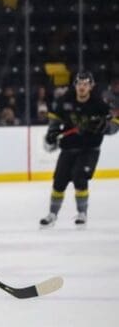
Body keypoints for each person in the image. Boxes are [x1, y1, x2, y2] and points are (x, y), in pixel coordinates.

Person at [40, 71, 118, 228]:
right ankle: (52, 214)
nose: (82, 87)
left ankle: (82, 213)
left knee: (79, 177)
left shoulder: (100, 104)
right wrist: (52, 134)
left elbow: (114, 125)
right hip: (68, 149)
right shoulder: (65, 101)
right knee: (59, 182)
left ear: (91, 86)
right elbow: (55, 122)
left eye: (86, 84)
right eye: (80, 83)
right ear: (75, 85)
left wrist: (105, 127)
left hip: (89, 149)